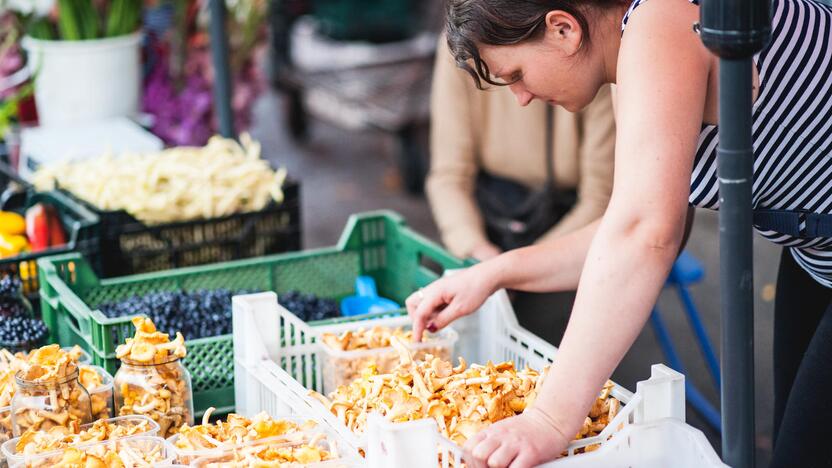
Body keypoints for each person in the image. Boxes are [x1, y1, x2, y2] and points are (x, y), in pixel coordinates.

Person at [406, 0, 832, 466]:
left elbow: (646, 235)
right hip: (814, 260)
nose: (521, 97)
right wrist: (493, 273)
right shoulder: (631, 55)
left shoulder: (659, 21)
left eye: (516, 75)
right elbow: (625, 230)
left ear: (563, 29)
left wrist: (548, 419)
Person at [427, 40, 616, 345]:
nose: (521, 97)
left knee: (547, 334)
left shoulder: (594, 55)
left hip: (570, 223)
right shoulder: (461, 44)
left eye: (516, 74)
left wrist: (512, 271)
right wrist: (479, 252)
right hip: (490, 213)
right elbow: (449, 177)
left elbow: (603, 201)